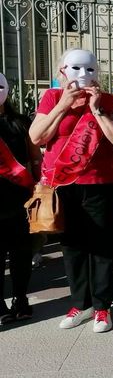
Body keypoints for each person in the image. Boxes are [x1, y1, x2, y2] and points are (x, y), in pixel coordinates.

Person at [29, 49, 113, 333]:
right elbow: (36, 136)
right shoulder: (52, 98)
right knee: (73, 247)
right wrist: (62, 106)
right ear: (62, 72)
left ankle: (102, 307)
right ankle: (81, 304)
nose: (84, 75)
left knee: (102, 247)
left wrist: (97, 109)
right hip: (63, 187)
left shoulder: (110, 101)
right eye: (77, 69)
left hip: (99, 184)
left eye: (91, 69)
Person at [0, 73, 40, 324]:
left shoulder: (21, 123)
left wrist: (38, 183)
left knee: (21, 255)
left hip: (19, 198)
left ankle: (20, 298)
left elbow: (35, 156)